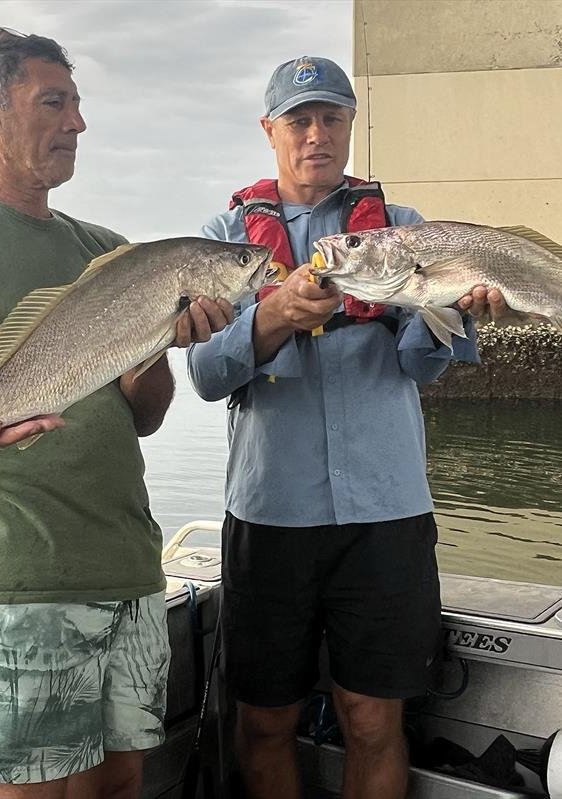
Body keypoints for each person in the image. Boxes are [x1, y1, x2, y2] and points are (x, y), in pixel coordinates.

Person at [0, 29, 231, 799]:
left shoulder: (112, 253)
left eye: (79, 103)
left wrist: (158, 345)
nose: (78, 123)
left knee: (121, 782)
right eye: (53, 101)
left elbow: (143, 416)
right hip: (1, 570)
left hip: (125, 567)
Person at [187, 56, 508, 799]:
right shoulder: (226, 237)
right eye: (298, 119)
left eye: (331, 117)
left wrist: (459, 307)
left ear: (350, 125)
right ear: (269, 131)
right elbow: (205, 375)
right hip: (271, 514)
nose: (316, 134)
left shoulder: (401, 232)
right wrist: (267, 319)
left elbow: (420, 366)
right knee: (265, 722)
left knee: (373, 720)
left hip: (386, 514)